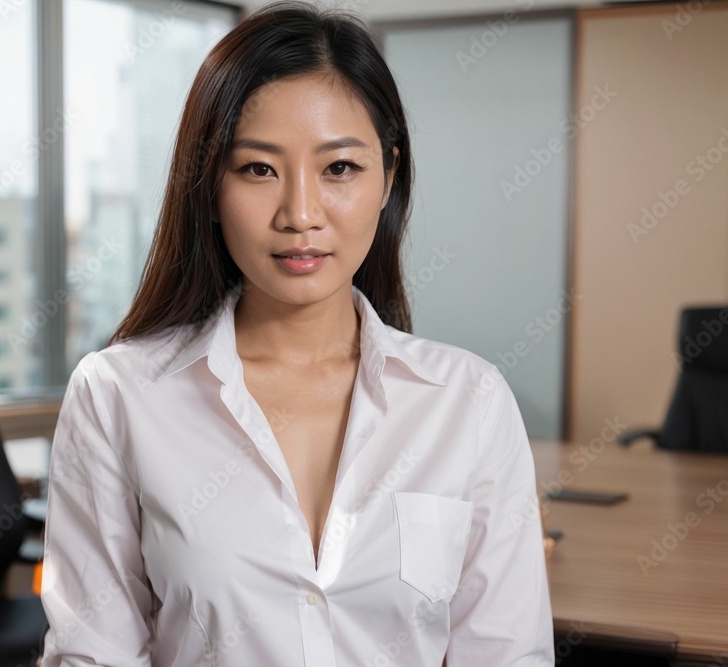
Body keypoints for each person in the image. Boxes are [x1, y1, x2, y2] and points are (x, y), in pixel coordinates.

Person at [39, 1, 554, 664]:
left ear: (388, 176)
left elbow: (506, 654)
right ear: (210, 187)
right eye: (258, 169)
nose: (301, 213)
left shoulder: (469, 402)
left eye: (339, 168)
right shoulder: (119, 395)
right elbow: (94, 653)